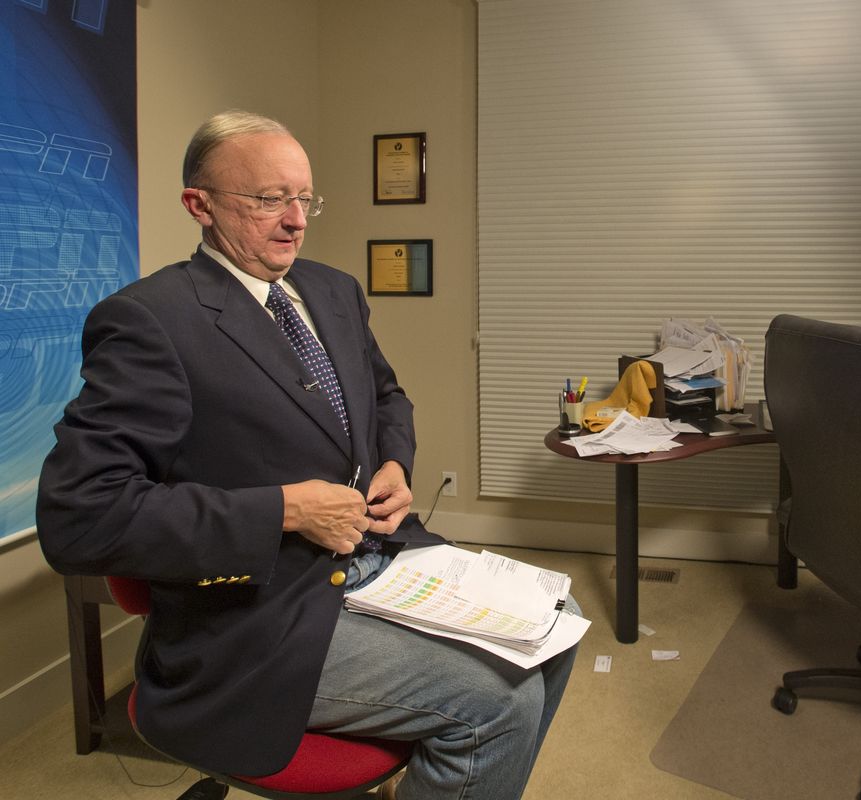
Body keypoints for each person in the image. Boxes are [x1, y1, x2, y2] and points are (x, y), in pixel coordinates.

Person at [37, 110, 578, 799]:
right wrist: (284, 511)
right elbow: (78, 517)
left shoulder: (331, 290)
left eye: (304, 199)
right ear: (198, 205)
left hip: (379, 559)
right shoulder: (151, 321)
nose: (295, 219)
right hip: (261, 617)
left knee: (553, 638)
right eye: (268, 200)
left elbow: (386, 397)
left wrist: (394, 464)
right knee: (500, 702)